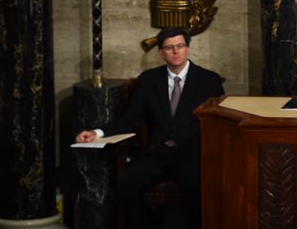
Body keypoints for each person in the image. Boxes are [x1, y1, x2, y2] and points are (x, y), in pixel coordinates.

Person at [75, 27, 224, 229]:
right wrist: (97, 132)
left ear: (187, 49)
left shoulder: (209, 80)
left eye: (180, 46)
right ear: (161, 53)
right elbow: (130, 119)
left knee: (196, 184)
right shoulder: (149, 80)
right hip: (158, 152)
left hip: (192, 153)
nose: (176, 51)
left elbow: (218, 122)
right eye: (169, 48)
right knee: (127, 182)